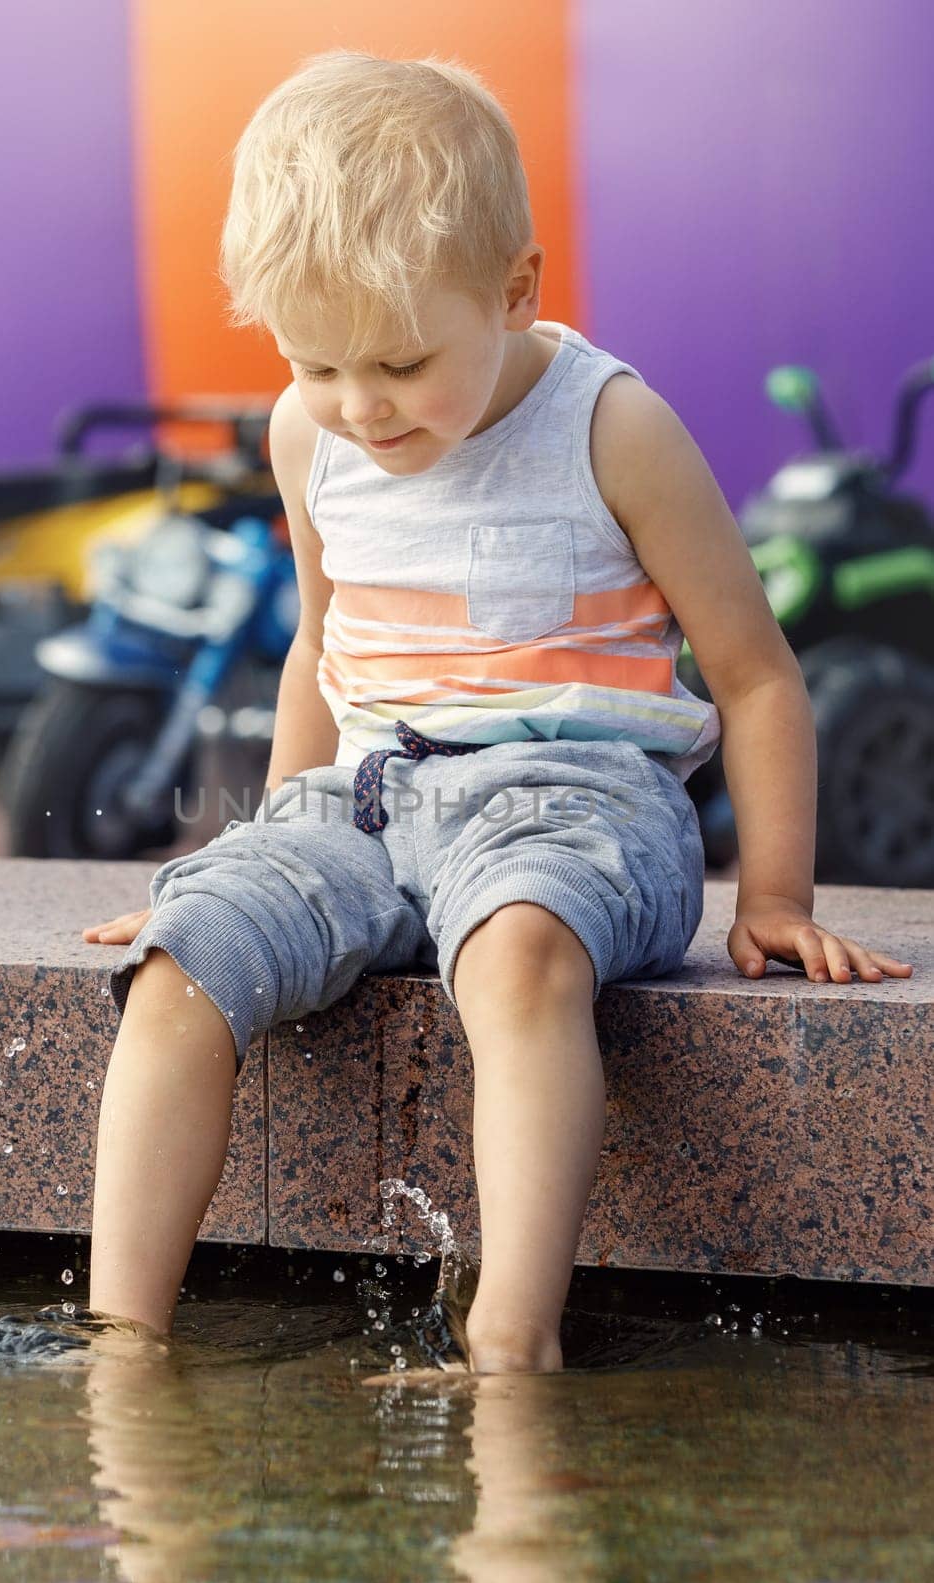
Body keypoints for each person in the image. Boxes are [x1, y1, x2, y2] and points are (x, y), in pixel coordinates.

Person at [81, 48, 914, 1374]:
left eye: (402, 364)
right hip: (365, 801)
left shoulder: (614, 428)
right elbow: (322, 642)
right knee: (180, 966)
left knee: (520, 953)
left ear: (517, 291)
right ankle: (122, 1344)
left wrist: (778, 895)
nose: (361, 408)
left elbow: (754, 671)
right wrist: (247, 858)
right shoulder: (315, 435)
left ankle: (512, 1340)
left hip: (578, 802)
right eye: (317, 364)